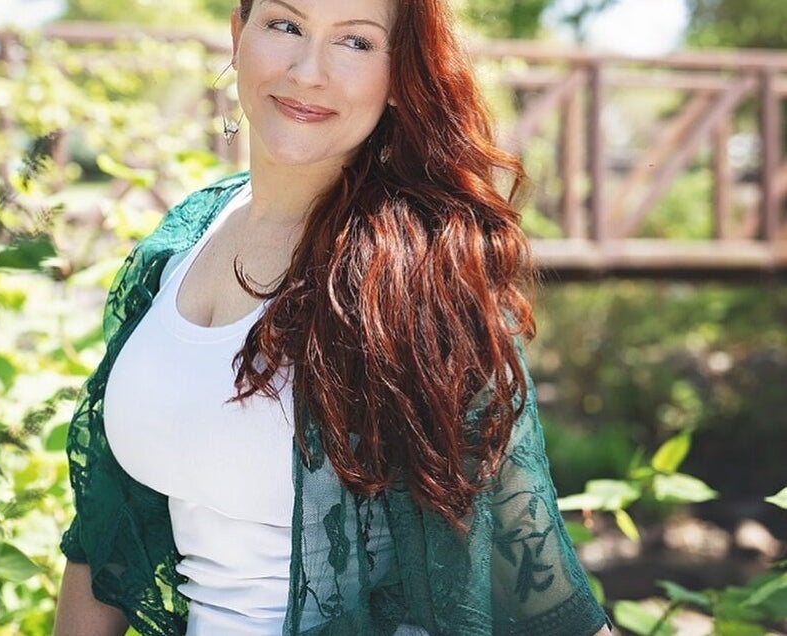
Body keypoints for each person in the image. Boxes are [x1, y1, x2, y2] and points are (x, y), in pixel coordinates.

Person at [53, 0, 613, 634]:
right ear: (239, 35)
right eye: (285, 25)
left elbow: (537, 584)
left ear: (398, 73)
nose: (308, 72)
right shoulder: (182, 241)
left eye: (355, 43)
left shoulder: (417, 279)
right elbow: (105, 534)